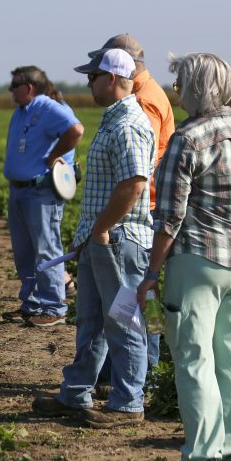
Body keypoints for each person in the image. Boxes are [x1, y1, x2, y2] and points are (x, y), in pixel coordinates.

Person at [136, 52, 231, 461]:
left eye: (179, 85)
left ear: (193, 89)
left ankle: (200, 458)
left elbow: (170, 217)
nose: (175, 92)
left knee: (194, 357)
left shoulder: (187, 138)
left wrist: (152, 272)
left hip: (199, 261)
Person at [32, 48, 156, 428]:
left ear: (115, 79)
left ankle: (128, 403)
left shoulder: (130, 123)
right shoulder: (113, 120)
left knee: (123, 322)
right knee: (91, 322)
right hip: (100, 239)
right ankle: (76, 393)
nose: (88, 83)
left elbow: (133, 185)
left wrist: (101, 228)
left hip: (119, 240)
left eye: (93, 76)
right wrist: (87, 233)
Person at [89, 34, 175, 385]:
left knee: (141, 294)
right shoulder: (147, 92)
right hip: (148, 207)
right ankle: (149, 364)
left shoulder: (144, 101)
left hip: (144, 210)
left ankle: (149, 367)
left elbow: (140, 166)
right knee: (147, 292)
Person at [1, 65, 84, 327]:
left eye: (14, 85)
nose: (10, 91)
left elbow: (75, 130)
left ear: (29, 87)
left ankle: (54, 307)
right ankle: (32, 304)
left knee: (46, 249)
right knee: (24, 252)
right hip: (20, 190)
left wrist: (53, 156)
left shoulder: (47, 106)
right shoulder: (22, 110)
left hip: (40, 191)